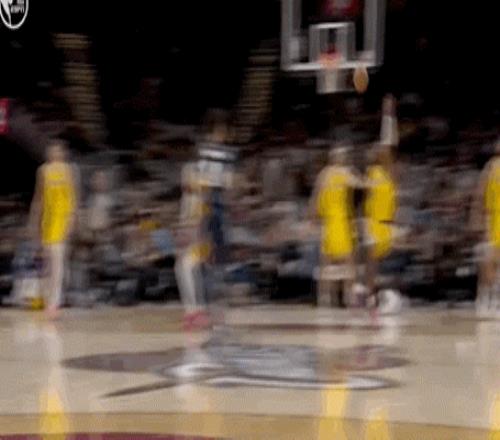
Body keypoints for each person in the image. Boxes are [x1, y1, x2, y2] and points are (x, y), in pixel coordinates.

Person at [310, 146, 366, 307]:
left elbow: (315, 197)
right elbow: (316, 196)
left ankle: (338, 296)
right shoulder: (337, 173)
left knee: (337, 261)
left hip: (339, 220)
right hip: (334, 220)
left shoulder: (328, 173)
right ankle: (329, 296)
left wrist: (313, 215)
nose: (343, 158)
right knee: (337, 260)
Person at [29, 142, 78, 319]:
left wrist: (71, 221)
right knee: (47, 266)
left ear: (63, 153)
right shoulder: (43, 171)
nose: (54, 153)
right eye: (52, 150)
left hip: (62, 221)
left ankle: (54, 303)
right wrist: (33, 221)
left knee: (58, 265)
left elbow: (72, 198)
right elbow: (38, 198)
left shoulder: (68, 170)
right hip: (47, 222)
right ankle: (47, 299)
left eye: (58, 150)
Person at [364, 95, 399, 309]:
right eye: (375, 149)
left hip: (387, 225)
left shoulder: (389, 172)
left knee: (380, 264)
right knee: (371, 264)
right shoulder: (371, 172)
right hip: (372, 223)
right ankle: (370, 297)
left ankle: (380, 294)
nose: (378, 149)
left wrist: (388, 115)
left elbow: (389, 142)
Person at [471, 141, 500, 317]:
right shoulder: (491, 167)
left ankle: (493, 300)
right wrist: (479, 221)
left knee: (493, 262)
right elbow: (480, 196)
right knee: (489, 261)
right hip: (492, 217)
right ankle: (485, 299)